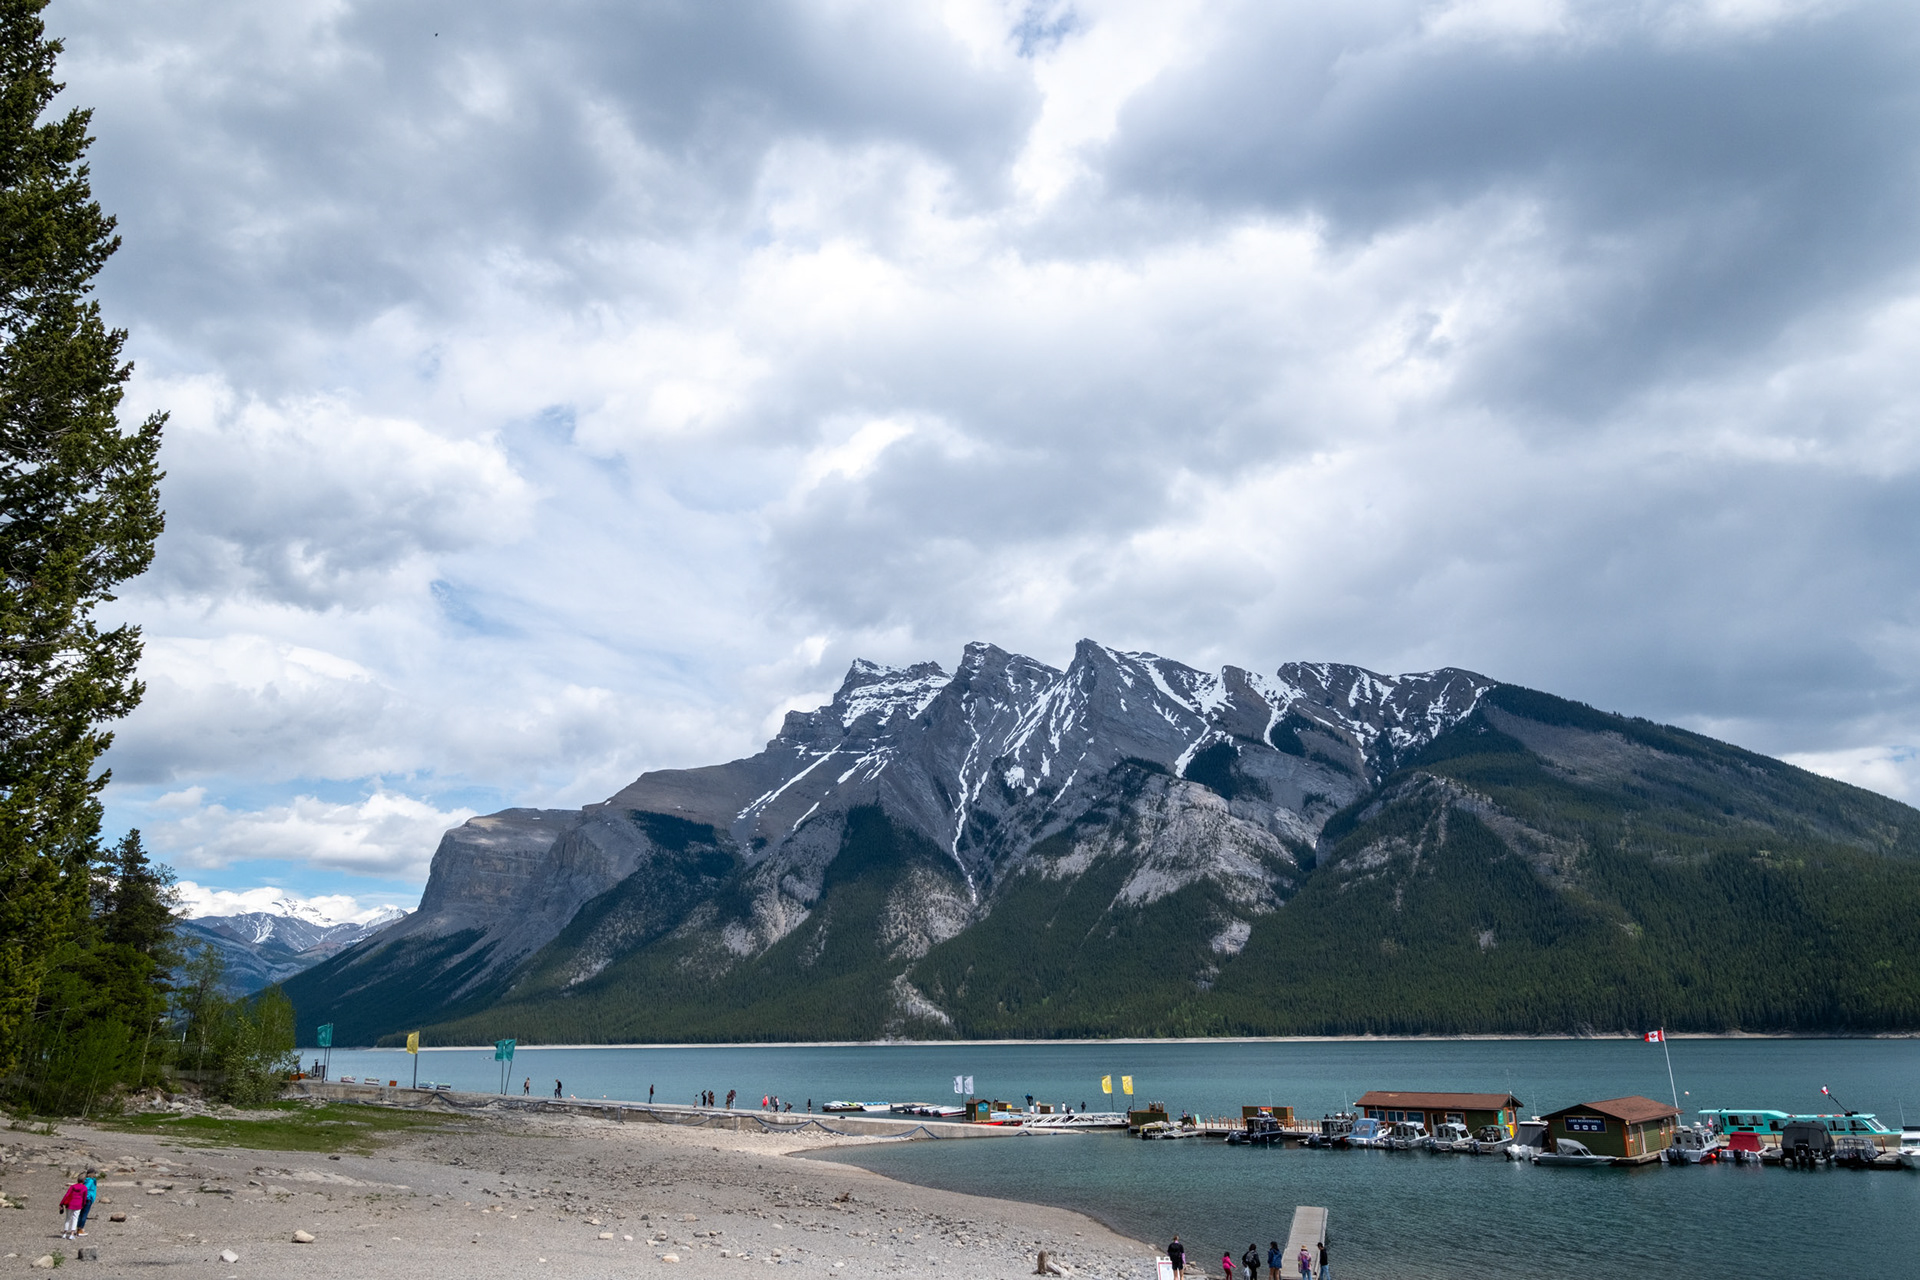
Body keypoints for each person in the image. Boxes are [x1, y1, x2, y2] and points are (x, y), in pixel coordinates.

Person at [76, 1169, 98, 1235]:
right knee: (84, 1214)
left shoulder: (88, 1180)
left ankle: (79, 1228)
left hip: (85, 1198)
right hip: (87, 1199)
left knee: (81, 1214)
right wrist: (89, 1196)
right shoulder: (90, 1180)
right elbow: (85, 1188)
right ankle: (80, 1229)